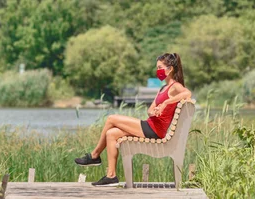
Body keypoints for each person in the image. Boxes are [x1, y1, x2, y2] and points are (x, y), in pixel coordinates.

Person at [74, 53, 192, 186]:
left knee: (111, 118)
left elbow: (187, 93)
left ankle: (94, 155)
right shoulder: (163, 88)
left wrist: (165, 103)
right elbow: (149, 110)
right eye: (157, 68)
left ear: (169, 69)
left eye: (160, 67)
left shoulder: (175, 86)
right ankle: (111, 175)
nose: (158, 71)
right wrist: (153, 111)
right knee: (111, 134)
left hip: (154, 130)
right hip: (150, 125)